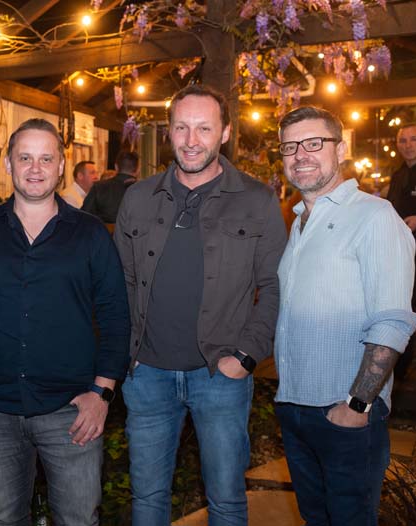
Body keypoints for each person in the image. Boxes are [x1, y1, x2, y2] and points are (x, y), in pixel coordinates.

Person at [0, 118, 130, 525]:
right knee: (6, 518)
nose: (35, 168)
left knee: (78, 519)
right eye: (25, 158)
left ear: (61, 166)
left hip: (71, 410)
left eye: (46, 158)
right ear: (9, 164)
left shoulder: (91, 234)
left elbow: (116, 316)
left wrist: (102, 393)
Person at [113, 84, 287, 525]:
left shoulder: (257, 200)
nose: (191, 140)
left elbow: (275, 286)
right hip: (146, 374)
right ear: (168, 132)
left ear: (225, 133)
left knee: (226, 500)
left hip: (220, 375)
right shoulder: (138, 197)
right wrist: (125, 355)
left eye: (204, 128)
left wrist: (246, 356)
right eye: (182, 128)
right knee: (147, 499)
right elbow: (121, 282)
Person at [274, 106, 416, 525]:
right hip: (295, 408)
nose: (301, 154)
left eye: (314, 143)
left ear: (341, 150)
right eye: (290, 146)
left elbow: (392, 320)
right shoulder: (299, 222)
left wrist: (357, 404)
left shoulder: (374, 215)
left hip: (346, 412)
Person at [387, 122, 416, 382]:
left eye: (414, 139)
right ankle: (402, 367)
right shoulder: (398, 176)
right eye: (403, 140)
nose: (408, 145)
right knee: (405, 310)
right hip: (404, 257)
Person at [82, 150, 139, 223]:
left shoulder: (99, 187)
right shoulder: (146, 191)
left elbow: (84, 216)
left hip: (103, 230)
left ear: (116, 167)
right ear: (138, 170)